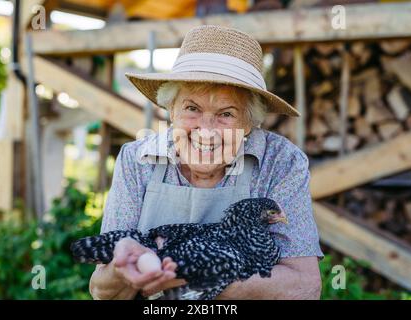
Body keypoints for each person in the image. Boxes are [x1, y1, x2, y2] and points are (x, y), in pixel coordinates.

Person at [89, 25, 323, 300]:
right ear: (171, 109)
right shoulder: (137, 159)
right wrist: (124, 270)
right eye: (192, 109)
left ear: (250, 122)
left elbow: (305, 287)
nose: (207, 129)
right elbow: (101, 290)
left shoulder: (281, 162)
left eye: (226, 113)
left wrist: (196, 279)